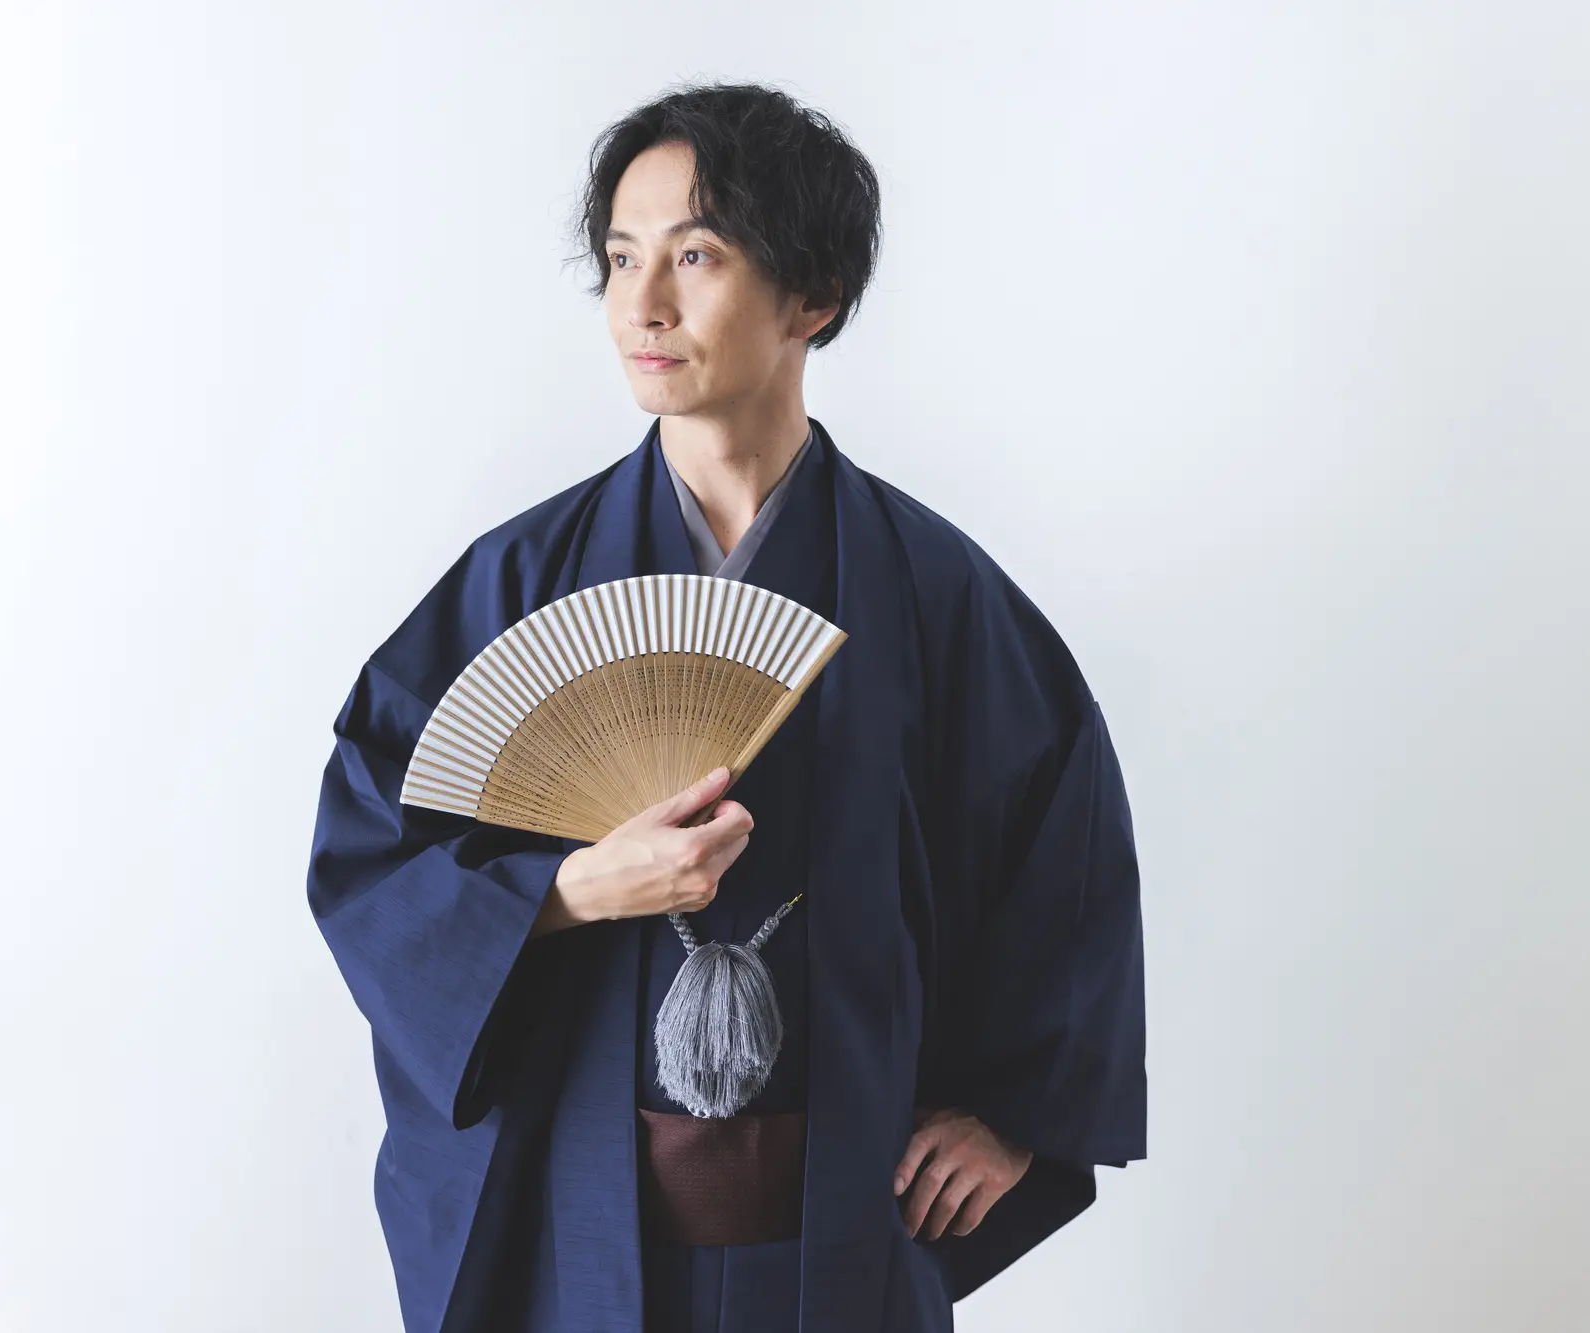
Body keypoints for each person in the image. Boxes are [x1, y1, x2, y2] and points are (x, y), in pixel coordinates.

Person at [307, 81, 1145, 1333]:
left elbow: (1061, 850)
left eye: (693, 256)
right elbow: (372, 847)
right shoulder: (520, 583)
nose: (640, 306)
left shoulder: (929, 592)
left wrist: (1017, 1118)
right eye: (619, 258)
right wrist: (577, 887)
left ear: (812, 298)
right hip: (577, 1217)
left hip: (844, 1219)